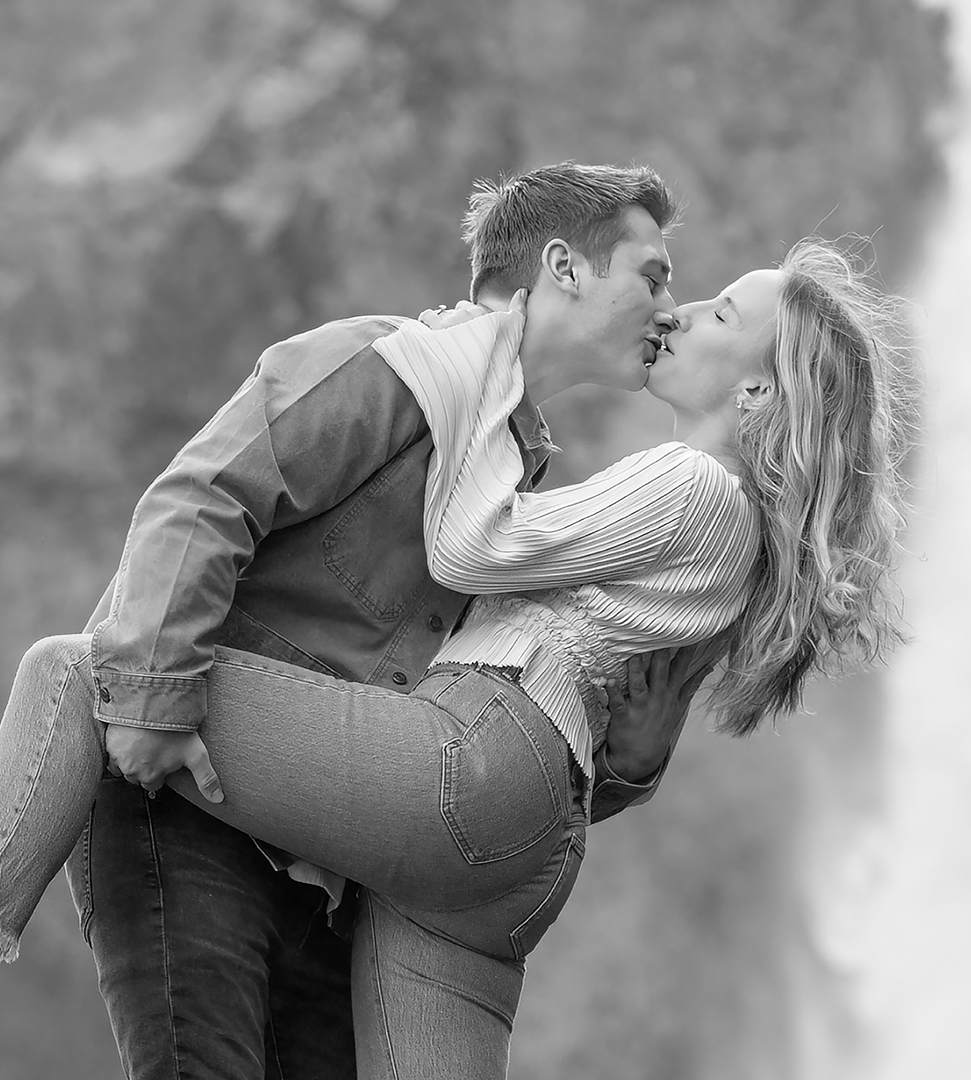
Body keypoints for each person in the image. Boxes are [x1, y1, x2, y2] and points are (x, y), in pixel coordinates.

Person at [0, 224, 912, 1077]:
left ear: (755, 393)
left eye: (721, 312)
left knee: (77, 674)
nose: (683, 308)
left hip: (478, 761)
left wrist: (467, 377)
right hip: (514, 855)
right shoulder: (739, 536)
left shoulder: (693, 482)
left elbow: (476, 547)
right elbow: (616, 725)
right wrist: (634, 766)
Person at [42, 162, 698, 1080]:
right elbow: (201, 499)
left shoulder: (512, 491)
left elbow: (487, 729)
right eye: (653, 275)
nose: (672, 308)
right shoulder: (382, 366)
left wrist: (629, 763)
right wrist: (151, 708)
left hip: (336, 880)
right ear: (565, 267)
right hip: (187, 808)